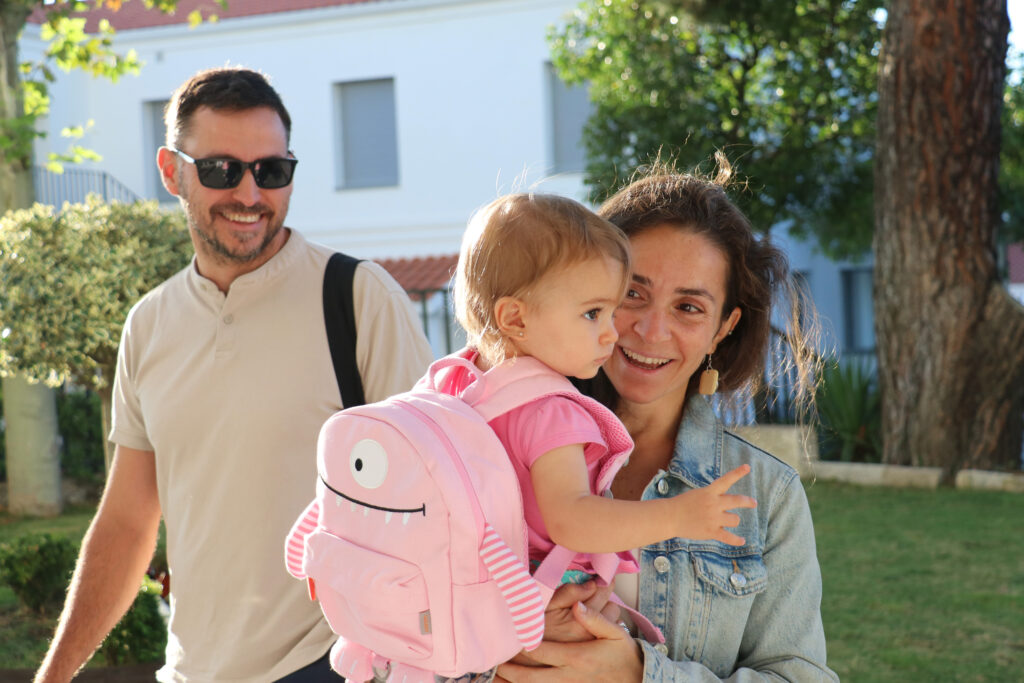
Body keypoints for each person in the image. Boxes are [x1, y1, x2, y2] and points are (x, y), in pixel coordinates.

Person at [34, 67, 433, 683]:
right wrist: (53, 676)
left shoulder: (359, 299)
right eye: (221, 170)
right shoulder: (149, 325)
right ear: (172, 172)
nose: (249, 194)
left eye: (271, 171)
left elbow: (441, 498)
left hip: (333, 664)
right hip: (189, 671)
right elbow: (127, 525)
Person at [495, 161, 838, 681]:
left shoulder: (767, 495)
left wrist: (639, 673)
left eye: (689, 307)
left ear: (723, 327)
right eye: (632, 294)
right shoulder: (488, 443)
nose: (652, 331)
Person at [450, 193, 756, 589]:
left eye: (688, 307)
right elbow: (572, 520)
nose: (614, 333)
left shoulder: (453, 382)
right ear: (515, 318)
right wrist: (678, 516)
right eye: (595, 311)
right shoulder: (551, 410)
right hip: (545, 591)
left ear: (724, 327)